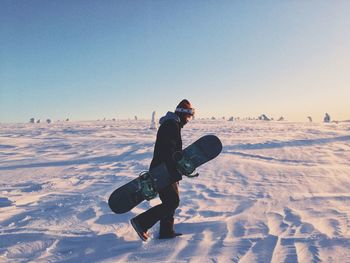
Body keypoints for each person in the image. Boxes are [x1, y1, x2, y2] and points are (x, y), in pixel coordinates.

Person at [130, 99, 195, 241]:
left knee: (170, 200)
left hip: (167, 170)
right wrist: (177, 164)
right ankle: (141, 223)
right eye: (189, 116)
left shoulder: (173, 124)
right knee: (172, 202)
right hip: (163, 171)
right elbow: (168, 150)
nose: (189, 120)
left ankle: (167, 231)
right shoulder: (171, 125)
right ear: (182, 114)